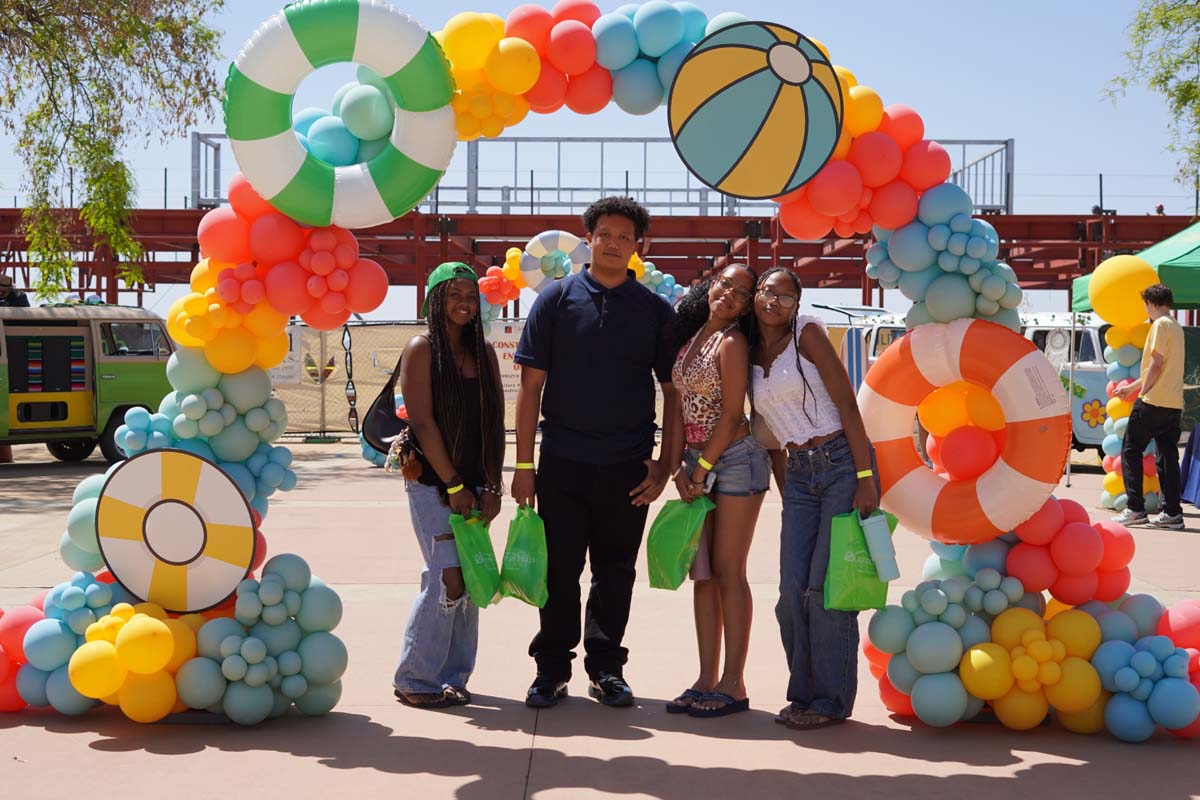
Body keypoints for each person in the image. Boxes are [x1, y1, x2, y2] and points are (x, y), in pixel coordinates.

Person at [513, 196, 678, 709]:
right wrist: (523, 465)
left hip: (628, 467)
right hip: (562, 462)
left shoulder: (654, 311)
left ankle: (606, 668)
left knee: (615, 573)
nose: (613, 243)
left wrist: (665, 464)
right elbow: (529, 387)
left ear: (638, 247)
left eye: (624, 237)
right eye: (604, 233)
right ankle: (550, 670)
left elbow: (674, 391)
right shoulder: (556, 300)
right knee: (558, 570)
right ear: (589, 238)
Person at [750, 267, 879, 731]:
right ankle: (802, 693)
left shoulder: (808, 335)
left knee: (825, 592)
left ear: (797, 305)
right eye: (768, 292)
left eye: (786, 298)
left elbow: (847, 404)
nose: (774, 303)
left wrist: (866, 477)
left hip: (844, 464)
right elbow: (772, 434)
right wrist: (792, 493)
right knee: (789, 592)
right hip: (800, 474)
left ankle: (830, 700)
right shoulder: (746, 347)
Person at [393, 262, 506, 709]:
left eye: (471, 296)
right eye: (454, 294)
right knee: (447, 578)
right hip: (433, 482)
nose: (464, 303)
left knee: (472, 579)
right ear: (435, 300)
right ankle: (415, 677)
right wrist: (455, 484)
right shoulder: (421, 349)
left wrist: (492, 484)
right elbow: (421, 421)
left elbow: (495, 422)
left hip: (477, 484)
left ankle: (455, 676)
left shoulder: (484, 353)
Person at [663, 264, 769, 718]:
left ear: (747, 306)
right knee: (702, 575)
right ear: (710, 286)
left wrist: (702, 467)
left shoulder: (733, 342)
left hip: (734, 461)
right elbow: (678, 405)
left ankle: (734, 683)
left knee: (728, 570)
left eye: (742, 293)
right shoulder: (693, 338)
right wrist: (679, 469)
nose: (730, 294)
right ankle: (705, 679)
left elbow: (730, 414)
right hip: (697, 462)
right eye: (725, 284)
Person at [1114, 283, 1185, 530]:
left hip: (1153, 401)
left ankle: (1135, 508)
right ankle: (1173, 513)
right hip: (1173, 404)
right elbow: (1162, 368)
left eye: (1146, 305)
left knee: (1131, 450)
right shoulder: (1176, 326)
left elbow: (1155, 364)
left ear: (1151, 304)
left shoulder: (1159, 325)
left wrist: (1141, 393)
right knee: (1167, 457)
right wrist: (1133, 387)